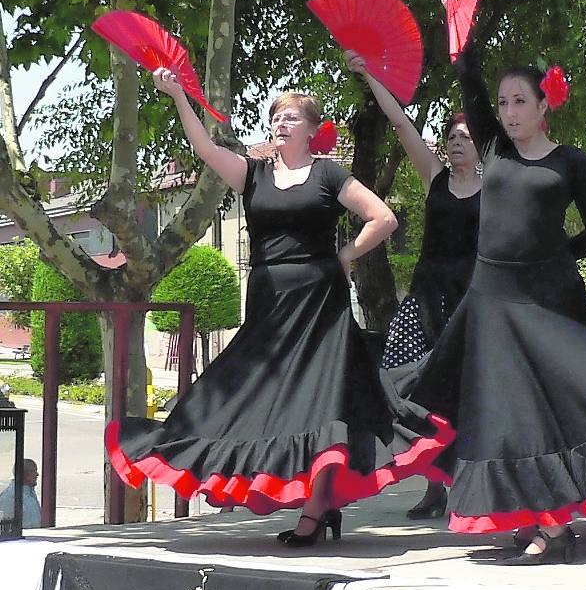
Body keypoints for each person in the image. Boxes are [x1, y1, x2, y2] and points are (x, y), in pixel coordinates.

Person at [381, 0, 586, 566]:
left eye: (519, 101)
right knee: (506, 413)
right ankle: (545, 525)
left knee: (574, 401)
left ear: (545, 104)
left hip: (549, 300)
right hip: (492, 301)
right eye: (502, 104)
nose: (507, 111)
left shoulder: (572, 162)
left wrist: (552, 261)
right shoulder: (494, 149)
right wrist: (458, 13)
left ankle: (556, 525)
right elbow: (467, 74)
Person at [106, 72, 453, 547]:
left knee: (317, 399)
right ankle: (300, 495)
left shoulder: (329, 173)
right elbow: (207, 150)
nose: (279, 122)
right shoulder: (254, 173)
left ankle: (316, 509)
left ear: (312, 129)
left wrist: (346, 256)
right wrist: (179, 97)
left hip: (320, 304)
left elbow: (384, 217)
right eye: (275, 116)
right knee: (246, 391)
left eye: (290, 116)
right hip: (269, 301)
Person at [347, 50, 481, 520]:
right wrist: (369, 76)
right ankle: (432, 484)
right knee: (405, 383)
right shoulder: (435, 179)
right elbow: (402, 125)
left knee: (471, 391)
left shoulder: (497, 187)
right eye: (451, 136)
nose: (456, 143)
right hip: (426, 299)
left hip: (472, 302)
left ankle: (469, 483)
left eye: (466, 136)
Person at [0, 459, 41, 529]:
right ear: (24, 474)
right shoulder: (10, 497)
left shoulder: (29, 493)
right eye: (33, 471)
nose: (37, 474)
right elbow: (6, 526)